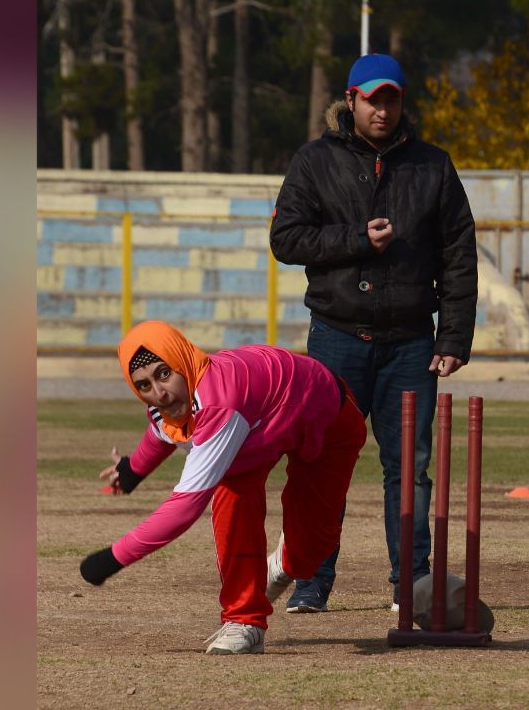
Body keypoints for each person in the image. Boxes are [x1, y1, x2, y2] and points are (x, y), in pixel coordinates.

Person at [270, 53, 478, 613]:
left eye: (391, 98)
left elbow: (459, 254)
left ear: (402, 102)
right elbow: (286, 240)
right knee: (321, 465)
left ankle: (410, 585)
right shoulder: (315, 161)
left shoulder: (433, 165)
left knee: (408, 468)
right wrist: (358, 239)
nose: (381, 109)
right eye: (371, 98)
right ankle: (311, 580)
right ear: (352, 99)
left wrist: (453, 337)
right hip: (336, 339)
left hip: (411, 341)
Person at [77, 320, 368, 654]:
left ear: (182, 360)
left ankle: (283, 563)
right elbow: (162, 431)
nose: (159, 392)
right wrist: (132, 471)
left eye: (163, 374)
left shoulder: (218, 403)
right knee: (231, 500)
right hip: (255, 429)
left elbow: (184, 508)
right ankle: (245, 620)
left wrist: (111, 559)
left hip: (325, 416)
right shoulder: (167, 403)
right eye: (143, 385)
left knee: (309, 554)